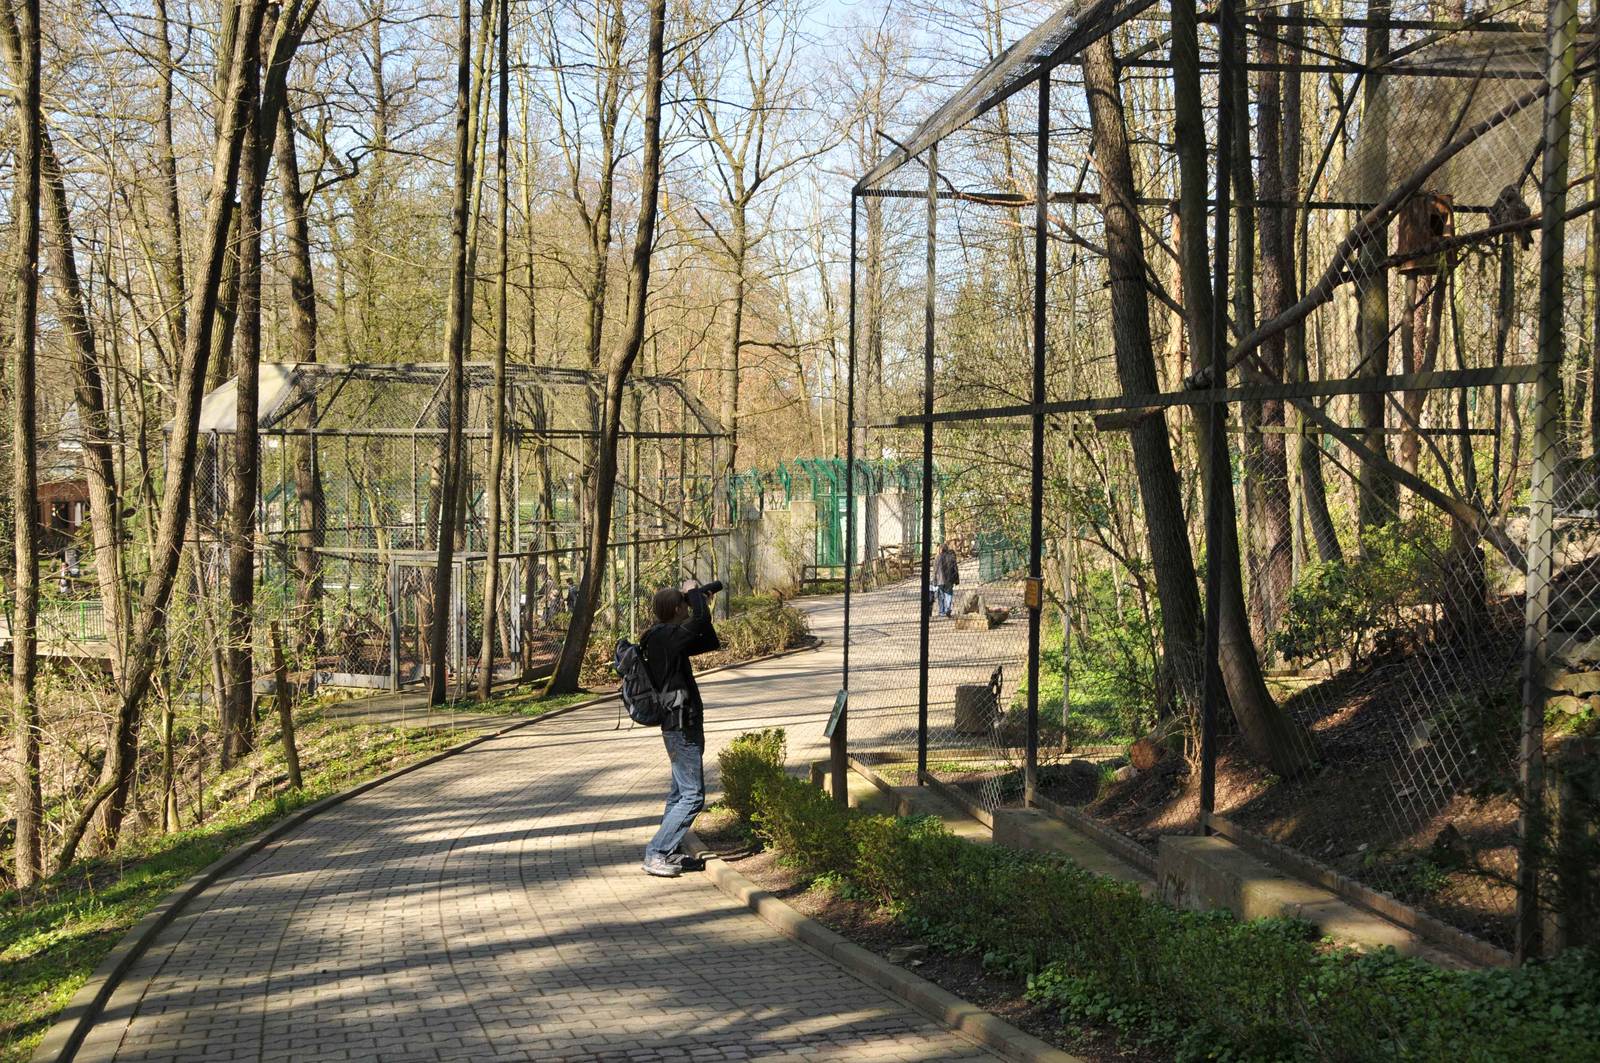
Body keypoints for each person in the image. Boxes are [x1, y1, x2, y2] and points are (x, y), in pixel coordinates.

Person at [639, 580, 721, 877]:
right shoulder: (665, 638)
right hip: (679, 724)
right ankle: (657, 853)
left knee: (679, 794)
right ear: (677, 609)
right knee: (692, 796)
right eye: (685, 603)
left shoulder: (667, 637)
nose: (689, 608)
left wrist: (702, 602)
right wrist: (695, 594)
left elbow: (708, 640)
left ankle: (668, 852)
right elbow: (698, 619)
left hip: (681, 723)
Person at [933, 541, 960, 618]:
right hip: (949, 579)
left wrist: (934, 581)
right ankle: (948, 608)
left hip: (940, 580)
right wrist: (957, 580)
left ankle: (942, 611)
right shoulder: (951, 557)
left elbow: (935, 571)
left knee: (941, 596)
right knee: (949, 594)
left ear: (941, 550)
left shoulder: (937, 558)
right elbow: (955, 569)